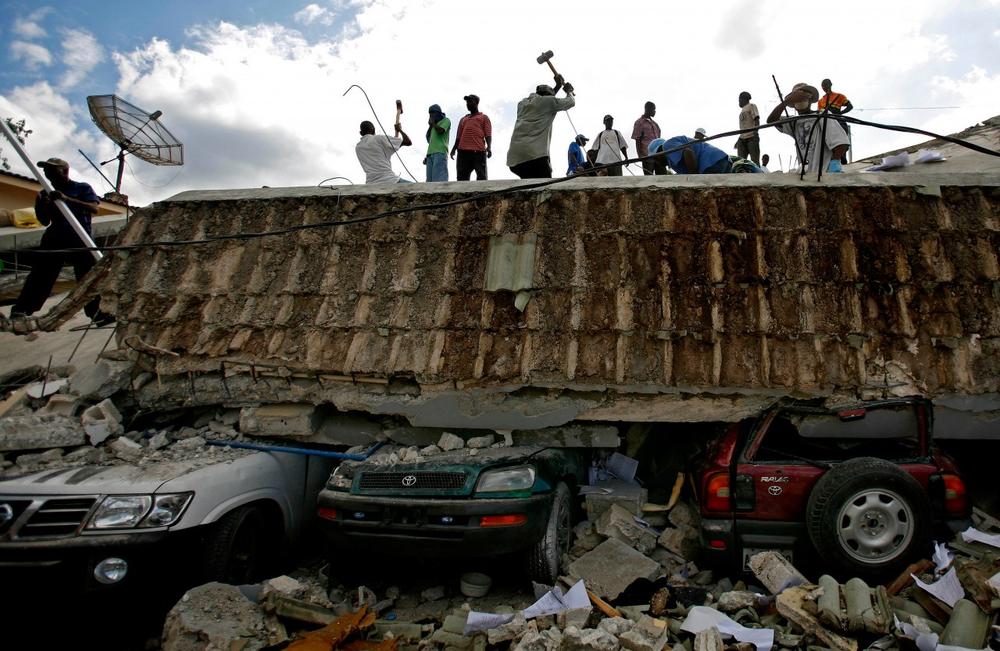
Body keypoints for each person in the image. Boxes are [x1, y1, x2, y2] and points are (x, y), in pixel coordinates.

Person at [10, 158, 112, 324]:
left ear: (65, 170)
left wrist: (66, 199)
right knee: (41, 275)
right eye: (46, 171)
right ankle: (21, 310)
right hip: (55, 238)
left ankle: (98, 314)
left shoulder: (81, 187)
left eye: (52, 170)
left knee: (89, 278)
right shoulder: (44, 193)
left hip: (80, 238)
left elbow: (94, 208)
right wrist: (43, 205)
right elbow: (43, 221)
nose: (47, 173)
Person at [767, 82, 849, 174]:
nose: (800, 100)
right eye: (797, 98)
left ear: (810, 99)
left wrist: (834, 163)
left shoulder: (821, 115)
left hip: (824, 172)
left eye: (803, 97)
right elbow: (771, 121)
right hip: (806, 174)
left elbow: (842, 143)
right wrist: (785, 102)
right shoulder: (794, 121)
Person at [506, 77, 575, 179]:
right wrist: (569, 91)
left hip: (515, 159)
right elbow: (570, 102)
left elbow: (546, 101)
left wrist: (557, 87)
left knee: (529, 186)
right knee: (545, 186)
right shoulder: (547, 102)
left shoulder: (522, 104)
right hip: (535, 156)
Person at [450, 94, 492, 181]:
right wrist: (454, 149)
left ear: (476, 103)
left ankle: (482, 194)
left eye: (470, 101)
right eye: (467, 102)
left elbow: (488, 134)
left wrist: (489, 147)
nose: (468, 104)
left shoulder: (484, 117)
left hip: (478, 152)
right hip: (462, 152)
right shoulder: (463, 119)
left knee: (482, 178)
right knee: (462, 179)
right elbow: (458, 136)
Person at [648, 135, 732, 174]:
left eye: (655, 158)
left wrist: (693, 179)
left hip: (711, 163)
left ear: (658, 152)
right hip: (721, 160)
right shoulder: (672, 161)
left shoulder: (667, 145)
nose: (657, 162)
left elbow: (688, 152)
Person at [818, 79, 853, 164]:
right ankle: (831, 160)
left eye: (826, 85)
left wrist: (840, 113)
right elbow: (819, 114)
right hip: (827, 122)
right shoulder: (821, 101)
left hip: (838, 120)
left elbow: (850, 106)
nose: (824, 87)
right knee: (827, 141)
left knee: (842, 138)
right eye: (823, 86)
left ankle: (842, 159)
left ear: (830, 85)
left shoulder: (839, 96)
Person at [631, 102, 660, 175]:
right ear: (648, 109)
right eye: (654, 109)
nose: (655, 111)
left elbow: (658, 138)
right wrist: (640, 156)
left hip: (658, 155)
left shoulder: (655, 124)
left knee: (662, 177)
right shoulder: (639, 122)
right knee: (649, 178)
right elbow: (637, 139)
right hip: (647, 156)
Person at [424, 104, 451, 182]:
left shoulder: (446, 120)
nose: (431, 115)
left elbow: (440, 131)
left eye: (433, 113)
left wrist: (433, 124)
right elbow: (428, 139)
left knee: (439, 180)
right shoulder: (433, 126)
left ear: (438, 113)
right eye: (430, 114)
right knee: (429, 181)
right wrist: (430, 126)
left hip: (440, 153)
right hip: (430, 154)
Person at [736, 91, 761, 165]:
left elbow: (756, 119)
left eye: (739, 100)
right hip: (742, 138)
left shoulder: (751, 106)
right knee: (741, 162)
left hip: (751, 137)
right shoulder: (742, 111)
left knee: (755, 161)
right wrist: (738, 140)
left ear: (743, 99)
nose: (739, 102)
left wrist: (755, 132)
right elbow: (743, 127)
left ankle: (756, 175)